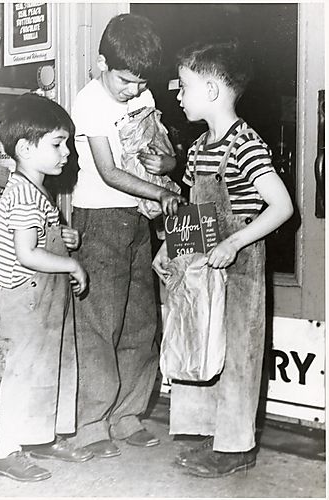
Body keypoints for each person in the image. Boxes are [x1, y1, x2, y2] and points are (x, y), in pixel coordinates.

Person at [153, 41, 293, 477]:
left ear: (212, 90)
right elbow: (196, 212)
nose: (178, 95)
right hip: (200, 268)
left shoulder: (247, 145)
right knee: (197, 344)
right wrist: (168, 249)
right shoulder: (196, 150)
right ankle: (203, 434)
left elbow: (282, 206)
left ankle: (234, 446)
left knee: (237, 355)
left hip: (241, 269)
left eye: (185, 86)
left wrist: (235, 243)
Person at [70, 13, 186, 458]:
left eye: (140, 83)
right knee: (99, 323)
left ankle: (128, 413)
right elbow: (108, 170)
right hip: (99, 219)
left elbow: (164, 152)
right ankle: (92, 422)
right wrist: (161, 190)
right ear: (102, 63)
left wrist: (169, 166)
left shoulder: (143, 93)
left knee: (141, 319)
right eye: (124, 81)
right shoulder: (89, 102)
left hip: (139, 219)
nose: (133, 91)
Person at [0, 93, 93, 483]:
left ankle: (41, 436)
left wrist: (62, 235)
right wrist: (70, 262)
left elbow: (39, 234)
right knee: (26, 371)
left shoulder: (36, 190)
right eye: (57, 143)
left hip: (46, 296)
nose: (66, 152)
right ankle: (8, 449)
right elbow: (28, 253)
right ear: (25, 149)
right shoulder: (21, 193)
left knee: (54, 366)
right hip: (27, 296)